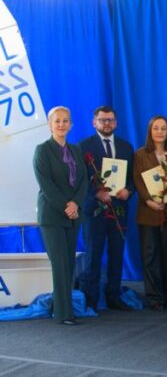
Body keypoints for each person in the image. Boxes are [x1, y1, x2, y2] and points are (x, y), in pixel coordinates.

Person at [33, 106, 88, 325]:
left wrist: (76, 203)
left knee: (69, 263)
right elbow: (46, 185)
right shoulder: (42, 150)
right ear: (50, 125)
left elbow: (83, 181)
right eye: (57, 121)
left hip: (73, 214)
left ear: (71, 125)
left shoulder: (76, 150)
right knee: (59, 264)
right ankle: (64, 313)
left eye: (66, 121)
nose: (61, 124)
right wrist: (67, 206)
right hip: (52, 215)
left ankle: (59, 304)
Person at [77, 105, 134, 311]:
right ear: (94, 123)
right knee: (94, 254)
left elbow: (132, 178)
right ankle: (90, 299)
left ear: (116, 123)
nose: (107, 123)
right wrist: (95, 193)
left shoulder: (126, 147)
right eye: (102, 120)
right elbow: (79, 180)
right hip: (94, 210)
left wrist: (129, 191)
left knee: (117, 254)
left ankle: (113, 295)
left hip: (119, 208)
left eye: (110, 120)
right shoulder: (83, 147)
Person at [132, 116, 167, 311]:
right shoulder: (141, 154)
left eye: (163, 128)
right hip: (148, 211)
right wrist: (149, 201)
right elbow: (137, 181)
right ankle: (154, 297)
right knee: (150, 254)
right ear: (150, 131)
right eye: (156, 128)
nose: (160, 132)